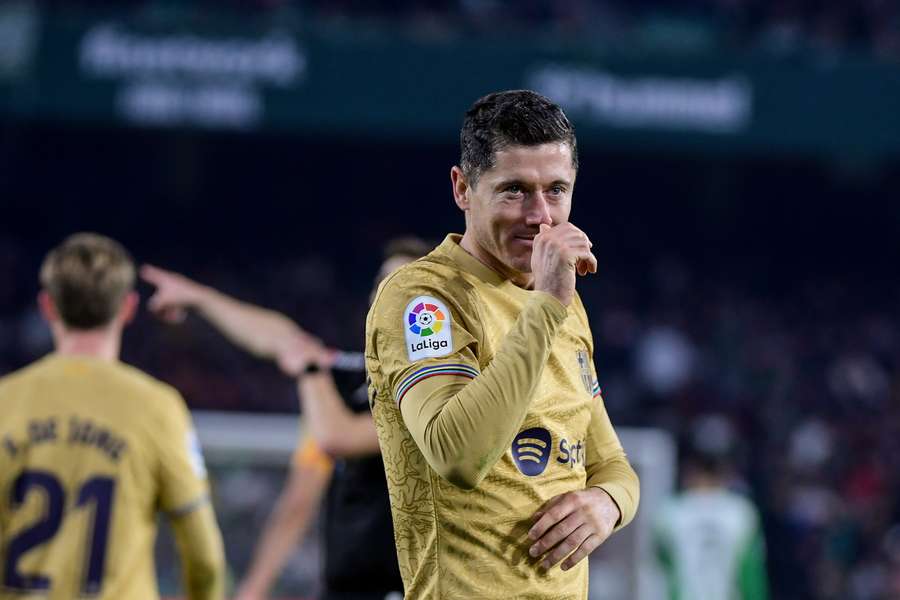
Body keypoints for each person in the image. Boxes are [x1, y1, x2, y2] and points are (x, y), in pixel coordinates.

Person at [365, 89, 640, 598]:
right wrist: (548, 306)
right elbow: (458, 456)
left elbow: (611, 462)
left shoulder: (561, 304)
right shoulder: (423, 299)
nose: (540, 216)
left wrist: (609, 502)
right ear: (462, 188)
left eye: (556, 190)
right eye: (515, 190)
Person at [140, 238, 430, 600]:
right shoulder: (349, 380)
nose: (387, 296)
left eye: (403, 287)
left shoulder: (436, 389)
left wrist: (309, 369)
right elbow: (283, 338)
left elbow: (336, 436)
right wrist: (200, 298)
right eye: (382, 285)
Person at [0, 233, 225, 600]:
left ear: (47, 306)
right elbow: (205, 558)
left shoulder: (6, 401)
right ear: (128, 307)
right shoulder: (156, 408)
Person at [654, 415, 769, 600]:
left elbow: (659, 572)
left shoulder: (669, 513)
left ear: (687, 465)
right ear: (728, 466)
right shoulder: (742, 512)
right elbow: (751, 580)